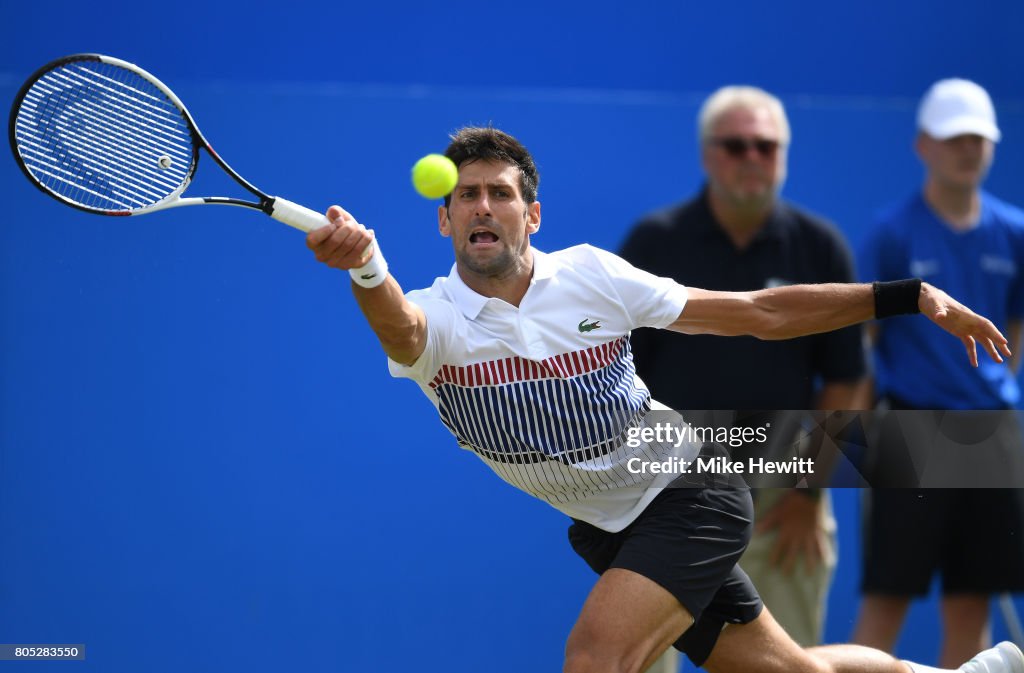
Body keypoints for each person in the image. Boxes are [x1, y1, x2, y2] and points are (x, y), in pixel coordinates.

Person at [305, 125, 1020, 673]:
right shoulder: (440, 318)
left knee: (594, 658)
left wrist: (909, 295)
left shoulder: (591, 277)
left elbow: (758, 312)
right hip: (607, 524)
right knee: (791, 668)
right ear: (445, 219)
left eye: (501, 193)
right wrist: (368, 267)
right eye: (467, 194)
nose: (482, 205)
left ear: (533, 216)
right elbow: (402, 331)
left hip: (689, 490)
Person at [619, 86, 865, 663]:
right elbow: (619, 372)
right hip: (667, 488)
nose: (752, 157)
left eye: (766, 146)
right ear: (708, 154)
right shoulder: (655, 242)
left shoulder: (819, 246)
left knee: (788, 662)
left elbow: (846, 381)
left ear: (783, 155)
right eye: (736, 145)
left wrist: (812, 495)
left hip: (783, 495)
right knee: (640, 660)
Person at [852, 78, 1024, 668]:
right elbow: (863, 337)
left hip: (992, 432)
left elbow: (1015, 326)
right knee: (886, 597)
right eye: (954, 138)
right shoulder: (892, 232)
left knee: (971, 602)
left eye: (978, 138)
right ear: (924, 144)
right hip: (910, 429)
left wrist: (993, 385)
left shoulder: (1014, 231)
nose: (967, 149)